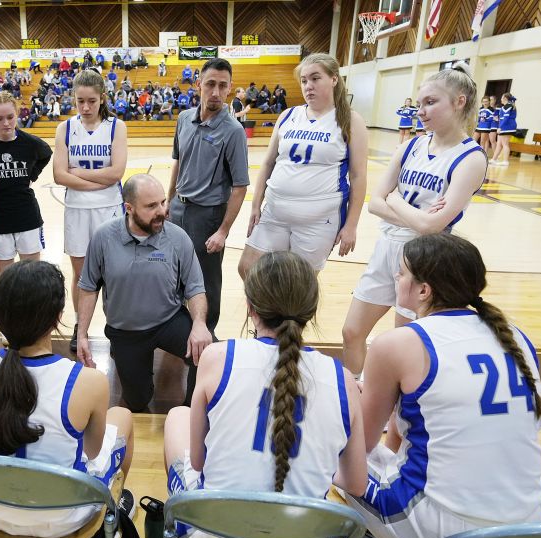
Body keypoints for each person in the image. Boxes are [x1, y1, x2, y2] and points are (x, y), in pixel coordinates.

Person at [164, 251, 366, 538]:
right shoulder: (342, 379)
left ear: (250, 307)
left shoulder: (217, 357)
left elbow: (198, 462)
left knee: (176, 416)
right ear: (311, 312)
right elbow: (357, 484)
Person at [346, 233, 541, 538]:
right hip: (523, 530)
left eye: (403, 272)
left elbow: (360, 445)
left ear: (424, 290)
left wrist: (349, 393)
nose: (396, 277)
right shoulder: (516, 335)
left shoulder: (396, 344)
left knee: (339, 460)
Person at [0, 261, 134, 536]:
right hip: (62, 516)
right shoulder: (89, 381)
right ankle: (114, 505)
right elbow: (91, 452)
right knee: (122, 416)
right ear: (57, 318)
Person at [341, 62, 487, 375]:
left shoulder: (471, 158)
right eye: (419, 103)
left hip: (426, 259)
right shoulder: (413, 145)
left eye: (430, 103)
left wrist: (395, 199)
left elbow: (430, 226)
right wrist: (409, 211)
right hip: (387, 247)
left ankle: (396, 414)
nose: (420, 111)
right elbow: (374, 203)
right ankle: (359, 398)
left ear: (459, 101)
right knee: (351, 332)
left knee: (403, 347)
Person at [76, 174, 211, 412]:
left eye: (162, 202)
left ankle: (190, 410)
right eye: (151, 206)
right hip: (125, 330)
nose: (162, 211)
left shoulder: (177, 238)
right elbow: (88, 287)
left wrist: (199, 323)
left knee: (210, 355)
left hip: (168, 320)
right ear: (129, 208)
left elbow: (196, 287)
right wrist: (82, 334)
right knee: (137, 400)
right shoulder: (103, 237)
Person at [238, 53, 368, 278]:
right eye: (304, 80)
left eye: (316, 78)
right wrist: (255, 204)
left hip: (319, 219)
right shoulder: (288, 116)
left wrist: (351, 226)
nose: (308, 86)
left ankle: (287, 314)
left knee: (299, 284)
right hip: (276, 211)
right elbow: (268, 162)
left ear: (334, 79)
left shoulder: (350, 120)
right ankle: (264, 313)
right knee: (248, 268)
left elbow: (358, 176)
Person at [167, 58, 249, 335]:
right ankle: (180, 326)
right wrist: (168, 201)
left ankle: (206, 331)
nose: (215, 91)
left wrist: (223, 231)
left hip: (209, 215)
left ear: (229, 89)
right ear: (199, 84)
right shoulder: (183, 119)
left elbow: (240, 187)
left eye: (222, 86)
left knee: (207, 279)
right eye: (210, 84)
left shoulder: (234, 132)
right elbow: (177, 162)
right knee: (176, 268)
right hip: (179, 208)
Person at [53, 70, 128, 353]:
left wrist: (80, 173)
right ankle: (79, 325)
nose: (85, 107)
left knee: (113, 272)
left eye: (91, 101)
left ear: (102, 99)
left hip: (109, 209)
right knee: (80, 273)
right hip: (76, 209)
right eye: (80, 101)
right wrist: (99, 177)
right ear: (73, 98)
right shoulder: (65, 128)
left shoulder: (116, 127)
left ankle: (117, 326)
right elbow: (60, 175)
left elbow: (117, 173)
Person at [0, 92, 53, 273]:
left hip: (28, 218)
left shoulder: (30, 143)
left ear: (17, 114)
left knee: (33, 276)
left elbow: (46, 154)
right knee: (6, 280)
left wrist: (31, 175)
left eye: (10, 117)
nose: (6, 123)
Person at [490, 93, 518, 166]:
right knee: (499, 144)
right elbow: (502, 118)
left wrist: (500, 127)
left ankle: (505, 161)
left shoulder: (508, 105)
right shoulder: (506, 106)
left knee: (505, 144)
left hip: (507, 126)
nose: (501, 99)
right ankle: (494, 159)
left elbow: (506, 118)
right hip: (505, 126)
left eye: (502, 98)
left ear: (505, 98)